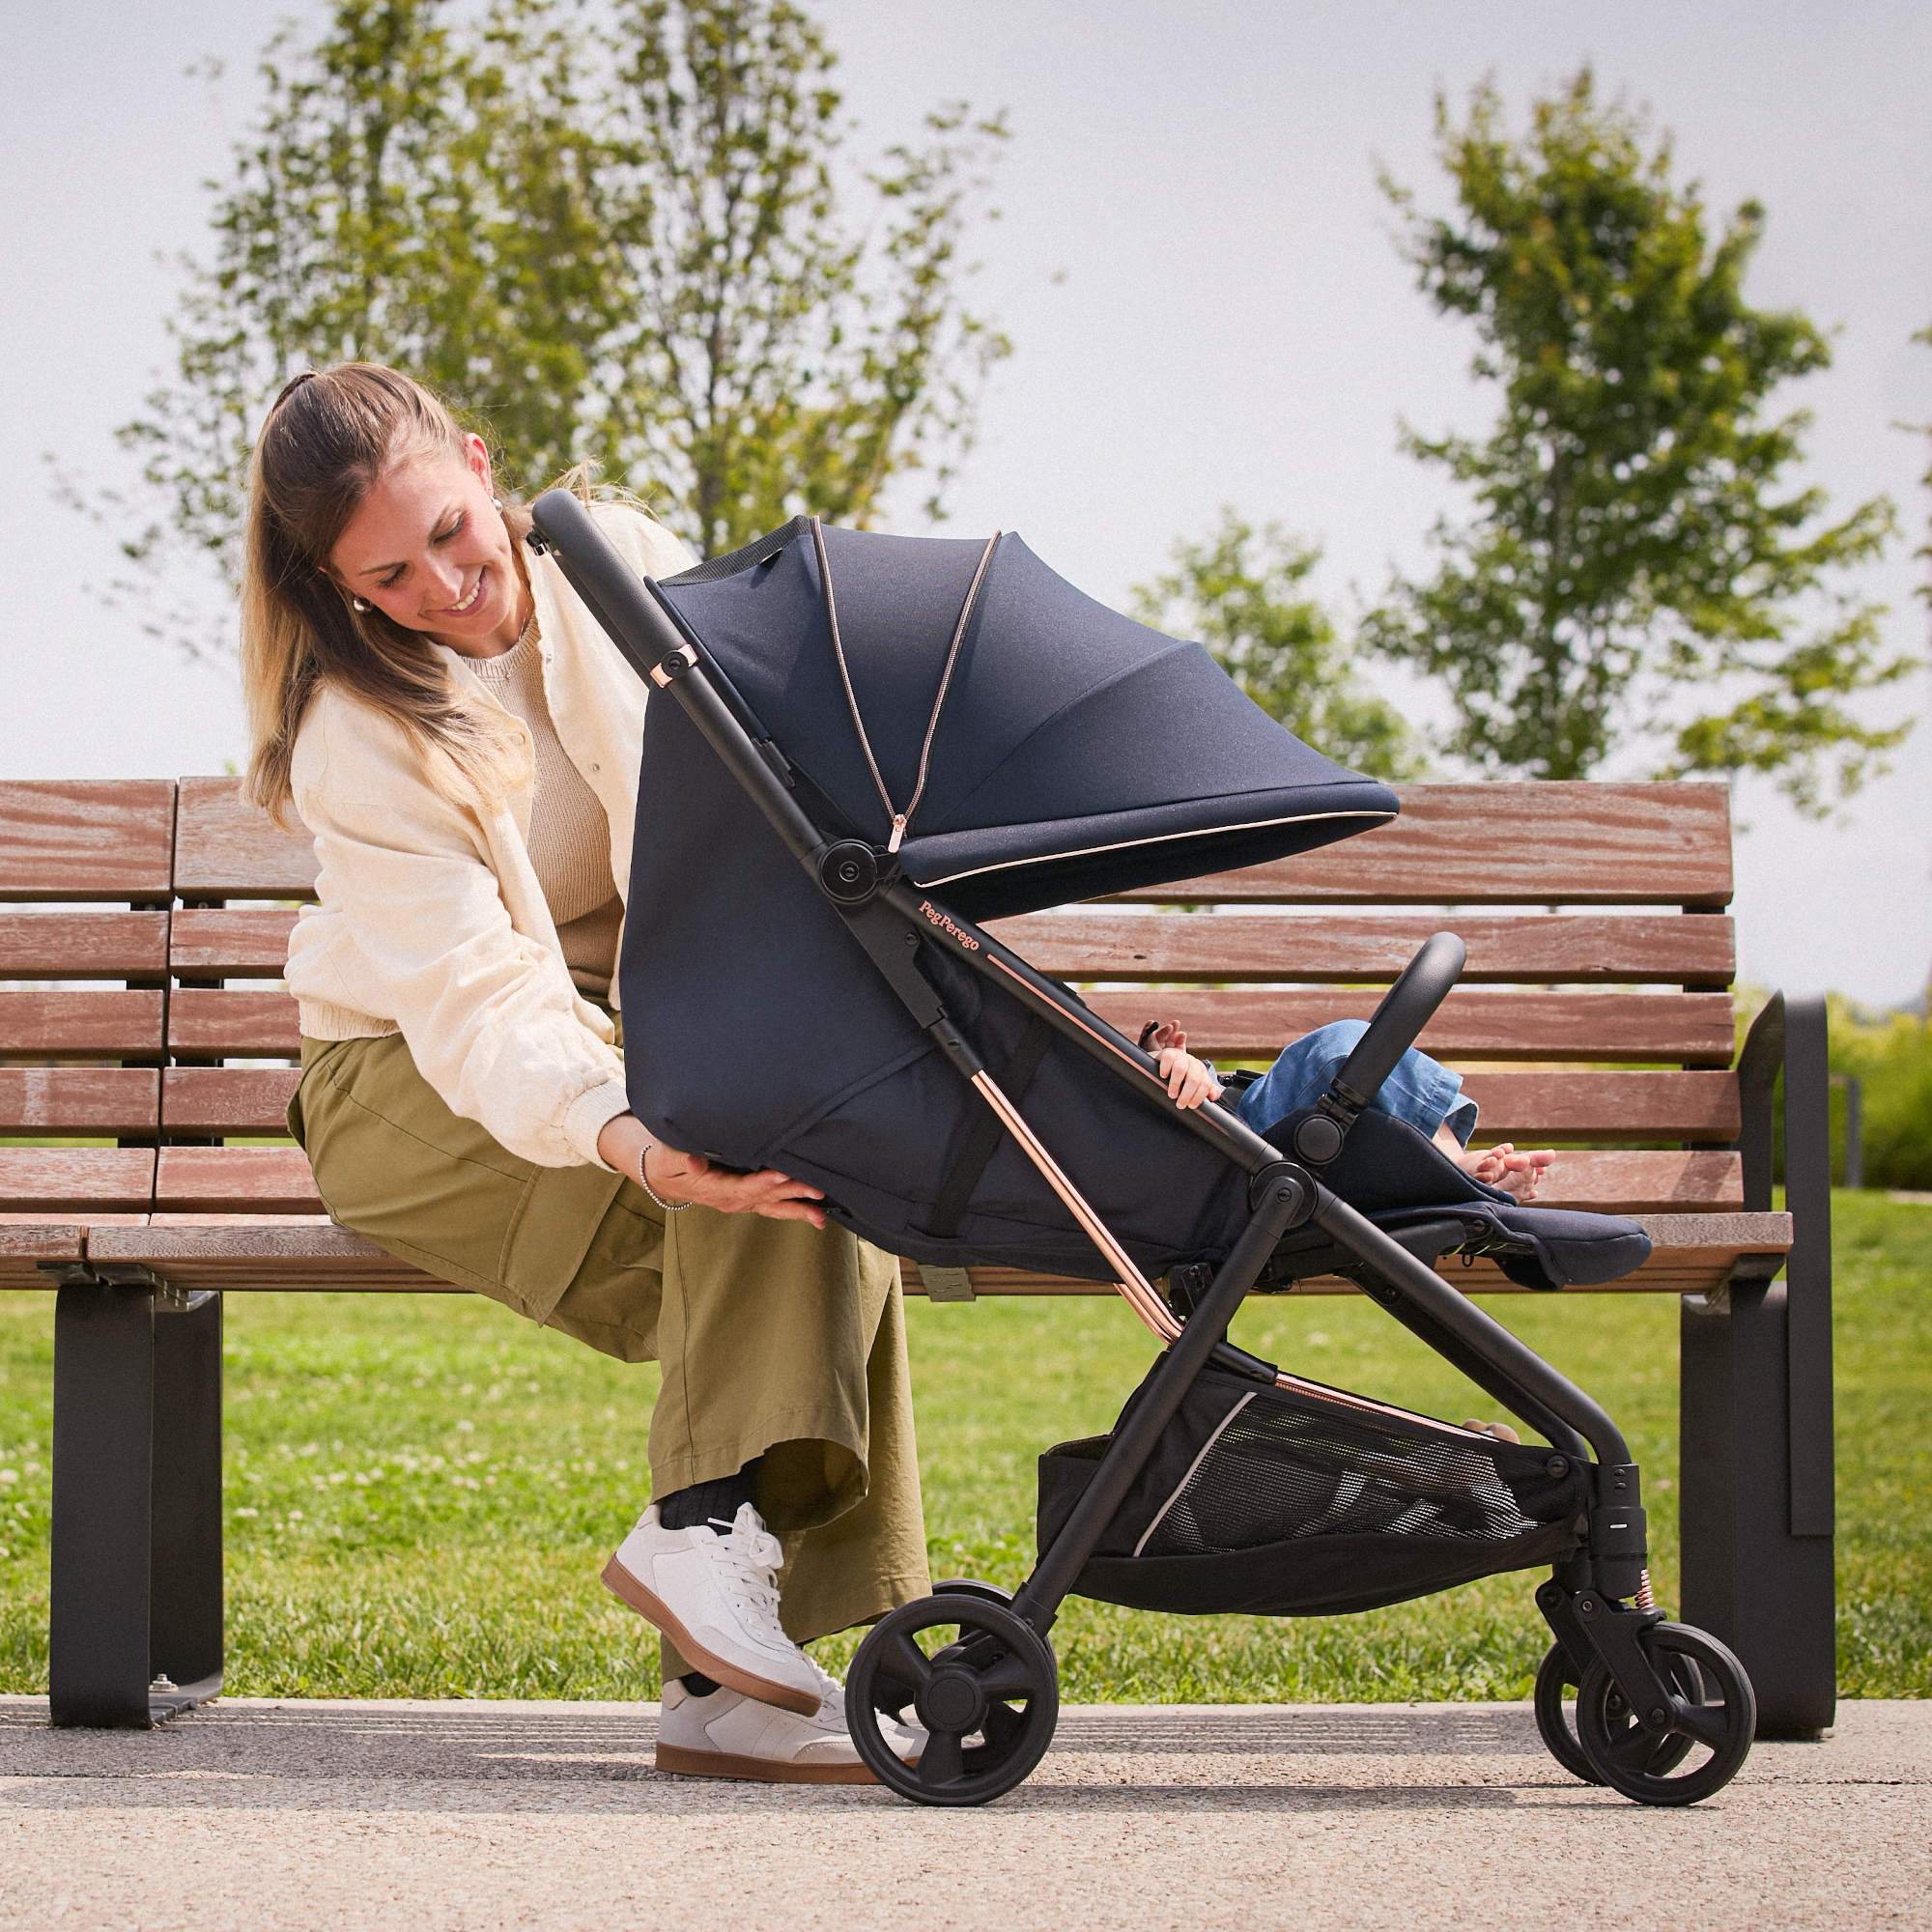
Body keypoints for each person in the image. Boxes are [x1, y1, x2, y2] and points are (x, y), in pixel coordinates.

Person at [242, 362, 928, 1784]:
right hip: (404, 1086)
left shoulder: (625, 571)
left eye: (450, 529)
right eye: (390, 571)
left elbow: (770, 786)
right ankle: (780, 1654)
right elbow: (476, 1001)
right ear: (337, 583)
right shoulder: (354, 737)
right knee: (744, 1181)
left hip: (630, 1030)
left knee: (806, 1179)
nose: (443, 581)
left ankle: (717, 1614)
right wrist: (626, 1133)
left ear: (482, 465)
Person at [1139, 1018, 1555, 1201]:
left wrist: (1163, 1062)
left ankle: (1451, 1173)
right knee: (1341, 1048)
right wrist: (1158, 1073)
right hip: (1238, 1152)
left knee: (1358, 1069)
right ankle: (1454, 1172)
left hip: (1232, 1124)